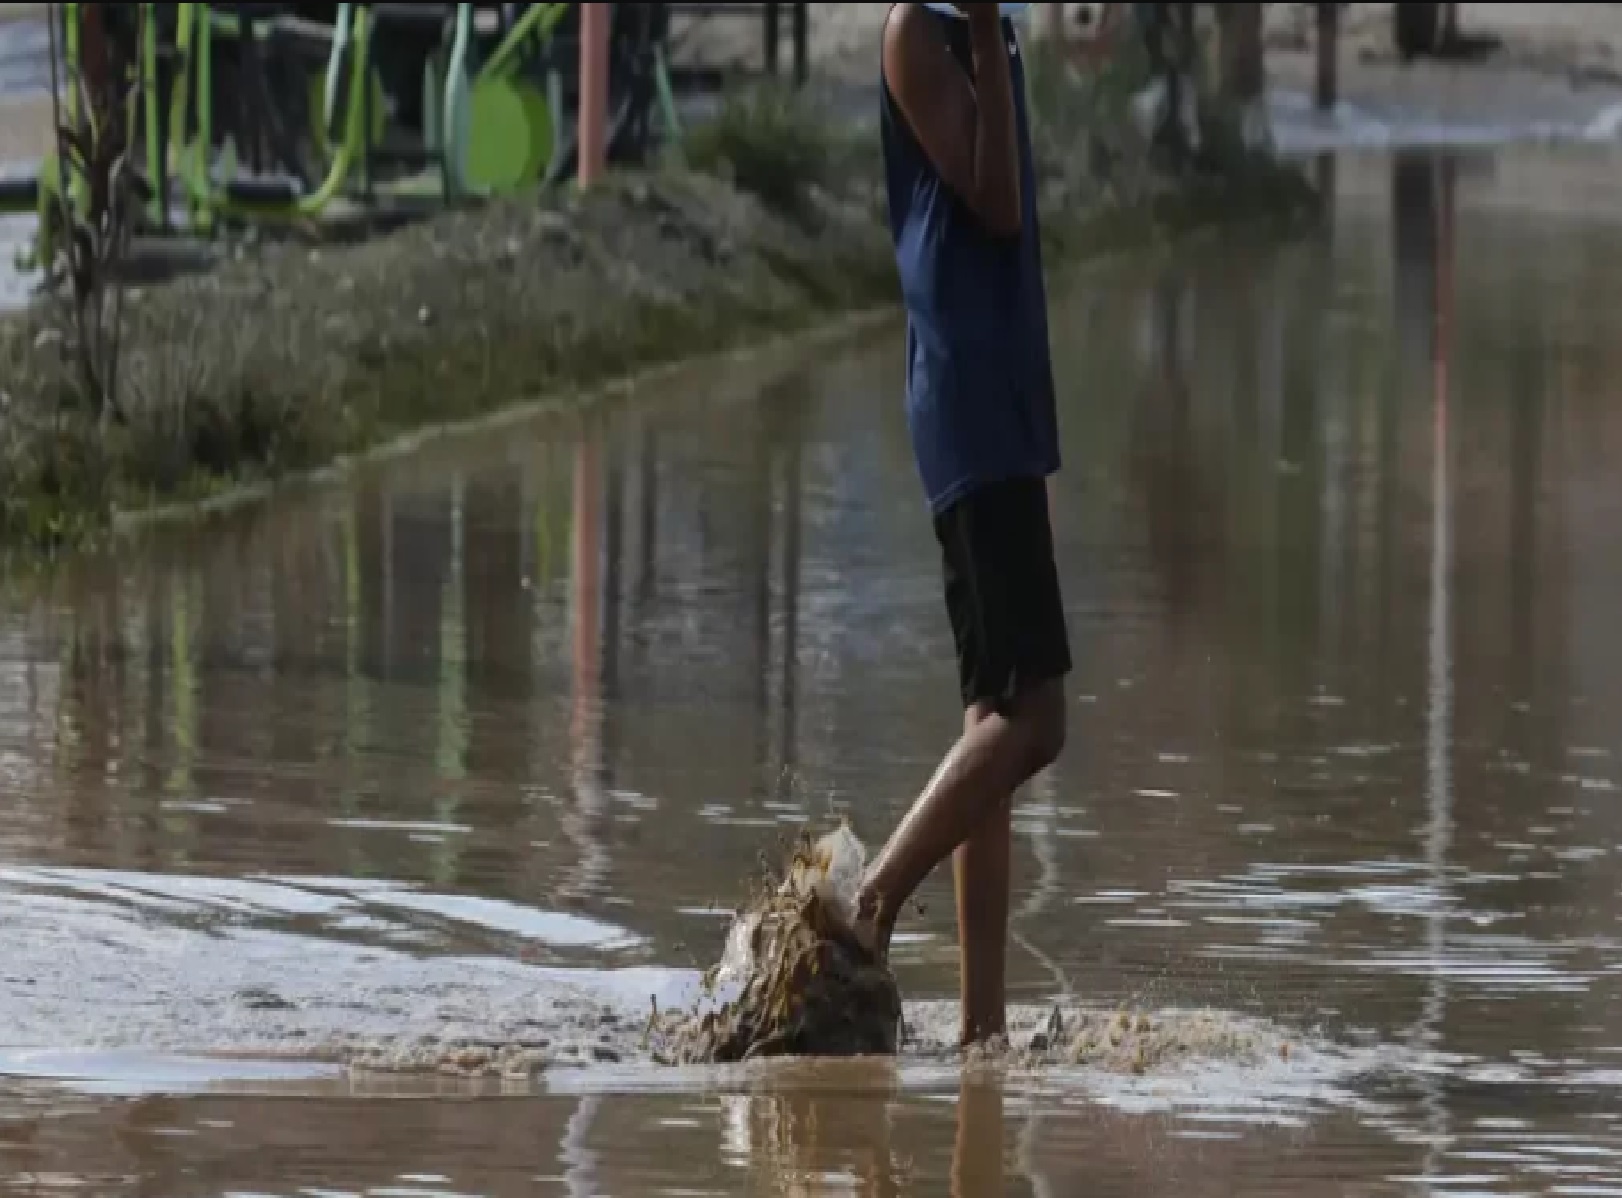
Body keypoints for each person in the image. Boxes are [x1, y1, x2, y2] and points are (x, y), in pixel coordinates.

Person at [854, 2, 1070, 1047]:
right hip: (970, 402)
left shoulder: (986, 28)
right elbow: (990, 202)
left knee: (995, 715)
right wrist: (984, 30)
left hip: (1000, 399)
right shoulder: (920, 34)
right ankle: (872, 900)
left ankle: (980, 1028)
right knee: (1035, 723)